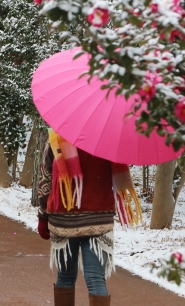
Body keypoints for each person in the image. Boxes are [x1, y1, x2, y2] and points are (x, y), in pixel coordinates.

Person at [37, 131, 141, 306]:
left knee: (65, 276)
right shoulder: (110, 139)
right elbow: (118, 176)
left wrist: (42, 215)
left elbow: (46, 178)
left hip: (64, 219)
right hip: (98, 218)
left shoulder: (57, 136)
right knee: (95, 279)